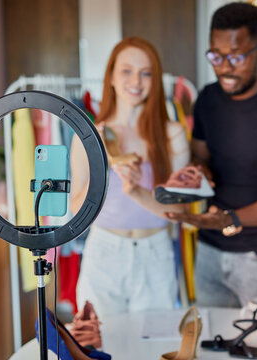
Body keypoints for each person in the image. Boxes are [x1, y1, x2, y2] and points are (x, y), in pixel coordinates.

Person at [166, 2, 257, 314]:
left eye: (236, 57)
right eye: (215, 56)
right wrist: (197, 173)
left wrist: (230, 219)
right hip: (209, 250)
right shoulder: (207, 99)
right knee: (212, 345)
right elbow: (202, 158)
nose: (224, 67)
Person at [71, 37, 190, 316]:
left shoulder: (172, 134)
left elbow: (179, 210)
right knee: (100, 347)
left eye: (146, 72)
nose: (136, 80)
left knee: (151, 348)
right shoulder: (89, 136)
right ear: (111, 76)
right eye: (126, 70)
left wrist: (137, 191)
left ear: (155, 80)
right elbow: (76, 209)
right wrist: (101, 161)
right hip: (103, 252)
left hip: (156, 254)